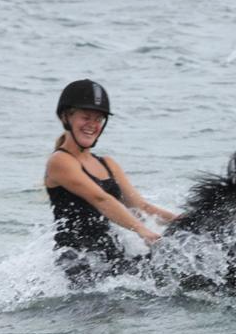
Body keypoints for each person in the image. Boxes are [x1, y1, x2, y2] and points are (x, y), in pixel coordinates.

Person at [44, 79, 176, 282]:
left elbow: (141, 206)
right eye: (85, 117)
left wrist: (183, 220)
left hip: (111, 256)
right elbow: (101, 199)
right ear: (65, 117)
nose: (92, 125)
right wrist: (142, 231)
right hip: (77, 263)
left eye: (98, 119)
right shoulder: (60, 161)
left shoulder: (108, 163)